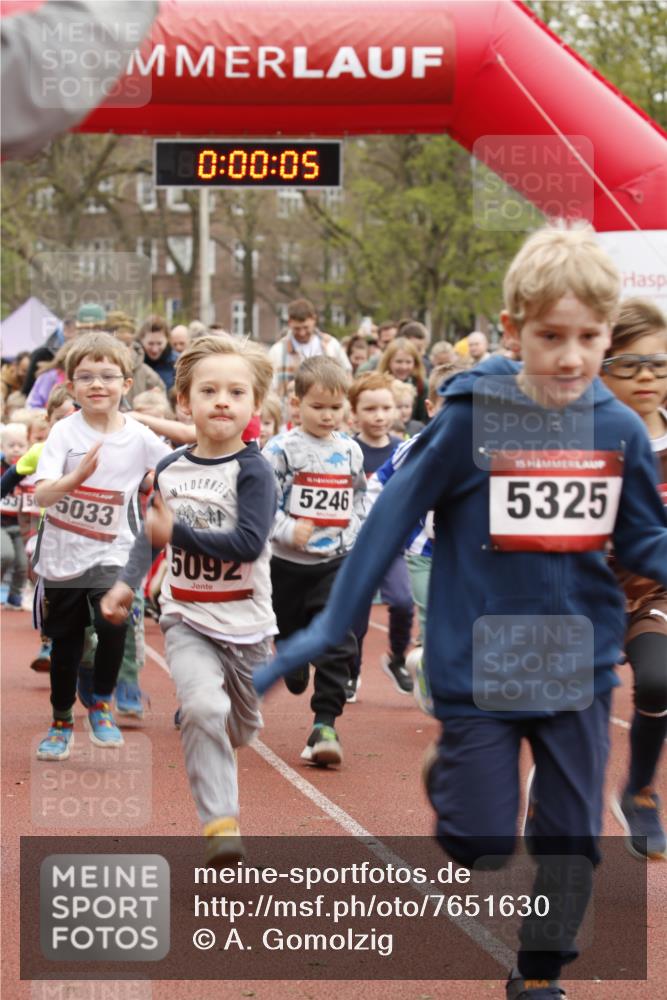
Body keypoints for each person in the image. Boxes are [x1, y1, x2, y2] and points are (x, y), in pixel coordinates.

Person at [254, 223, 667, 1000]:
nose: (572, 357)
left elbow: (645, 542)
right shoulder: (471, 421)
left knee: (571, 841)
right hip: (479, 665)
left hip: (577, 664)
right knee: (479, 844)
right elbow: (383, 529)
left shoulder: (616, 430)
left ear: (608, 335)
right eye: (551, 336)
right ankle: (450, 773)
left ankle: (539, 974)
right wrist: (321, 627)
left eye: (589, 337)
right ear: (512, 331)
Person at [101, 335, 276, 864]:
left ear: (254, 406)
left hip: (247, 623)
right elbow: (147, 534)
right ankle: (221, 825)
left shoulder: (254, 471)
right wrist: (127, 583)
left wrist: (175, 534)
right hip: (186, 616)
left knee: (239, 728)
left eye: (236, 391)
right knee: (202, 707)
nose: (222, 400)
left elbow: (247, 544)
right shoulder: (170, 470)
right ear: (185, 403)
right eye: (209, 390)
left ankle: (227, 730)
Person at [31, 332, 170, 760]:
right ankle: (60, 721)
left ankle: (102, 706)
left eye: (108, 376)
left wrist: (165, 498)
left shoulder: (139, 435)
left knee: (114, 623)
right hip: (63, 557)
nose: (97, 384)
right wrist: (74, 480)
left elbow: (174, 468)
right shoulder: (63, 433)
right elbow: (41, 496)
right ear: (71, 385)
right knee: (67, 646)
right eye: (86, 376)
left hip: (113, 552)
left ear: (126, 385)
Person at [262, 356, 366, 765]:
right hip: (285, 565)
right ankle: (291, 654)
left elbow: (357, 498)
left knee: (339, 642)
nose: (328, 416)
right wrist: (288, 529)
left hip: (334, 563)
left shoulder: (350, 450)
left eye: (336, 408)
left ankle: (325, 724)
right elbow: (263, 504)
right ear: (296, 403)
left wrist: (353, 534)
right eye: (318, 407)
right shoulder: (281, 450)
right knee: (287, 631)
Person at [600, 297, 667, 859]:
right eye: (631, 364)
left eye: (660, 364)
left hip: (654, 593)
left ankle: (641, 791)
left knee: (660, 680)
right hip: (582, 592)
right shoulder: (579, 437)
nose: (647, 375)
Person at [347, 372, 414, 701]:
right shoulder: (347, 450)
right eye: (370, 409)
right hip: (355, 546)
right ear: (354, 413)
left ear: (397, 411)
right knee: (356, 612)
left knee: (402, 601)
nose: (379, 416)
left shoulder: (404, 451)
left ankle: (397, 658)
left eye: (386, 408)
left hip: (391, 545)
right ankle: (352, 669)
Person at [267, 298, 351, 409]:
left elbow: (347, 377)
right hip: (289, 413)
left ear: (314, 320)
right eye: (297, 329)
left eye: (306, 328)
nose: (302, 333)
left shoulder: (331, 345)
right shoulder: (277, 351)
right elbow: (270, 388)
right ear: (289, 322)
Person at [1, 422, 29, 608]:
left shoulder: (30, 468)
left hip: (21, 524)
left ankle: (14, 595)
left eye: (21, 445)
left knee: (22, 564)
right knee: (5, 555)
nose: (16, 450)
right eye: (11, 446)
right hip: (1, 523)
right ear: (3, 447)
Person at [377, 336, 429, 423]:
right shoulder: (379, 384)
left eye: (408, 362)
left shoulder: (421, 385)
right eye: (399, 361)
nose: (403, 367)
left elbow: (423, 418)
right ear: (388, 361)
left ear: (415, 363)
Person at [139, 316, 177, 390]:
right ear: (142, 339)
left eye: (159, 343)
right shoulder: (133, 364)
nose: (155, 350)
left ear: (167, 340)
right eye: (150, 343)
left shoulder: (177, 363)